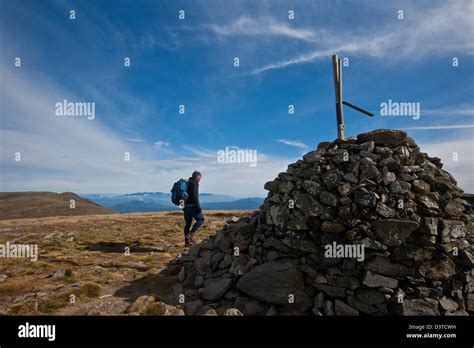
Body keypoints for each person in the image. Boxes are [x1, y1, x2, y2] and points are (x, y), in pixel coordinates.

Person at [183, 171, 205, 246]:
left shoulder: (187, 182)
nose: (200, 178)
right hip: (193, 206)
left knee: (188, 224)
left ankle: (187, 242)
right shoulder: (194, 183)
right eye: (199, 176)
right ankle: (191, 234)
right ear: (196, 176)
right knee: (201, 219)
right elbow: (195, 196)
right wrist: (198, 207)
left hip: (185, 207)